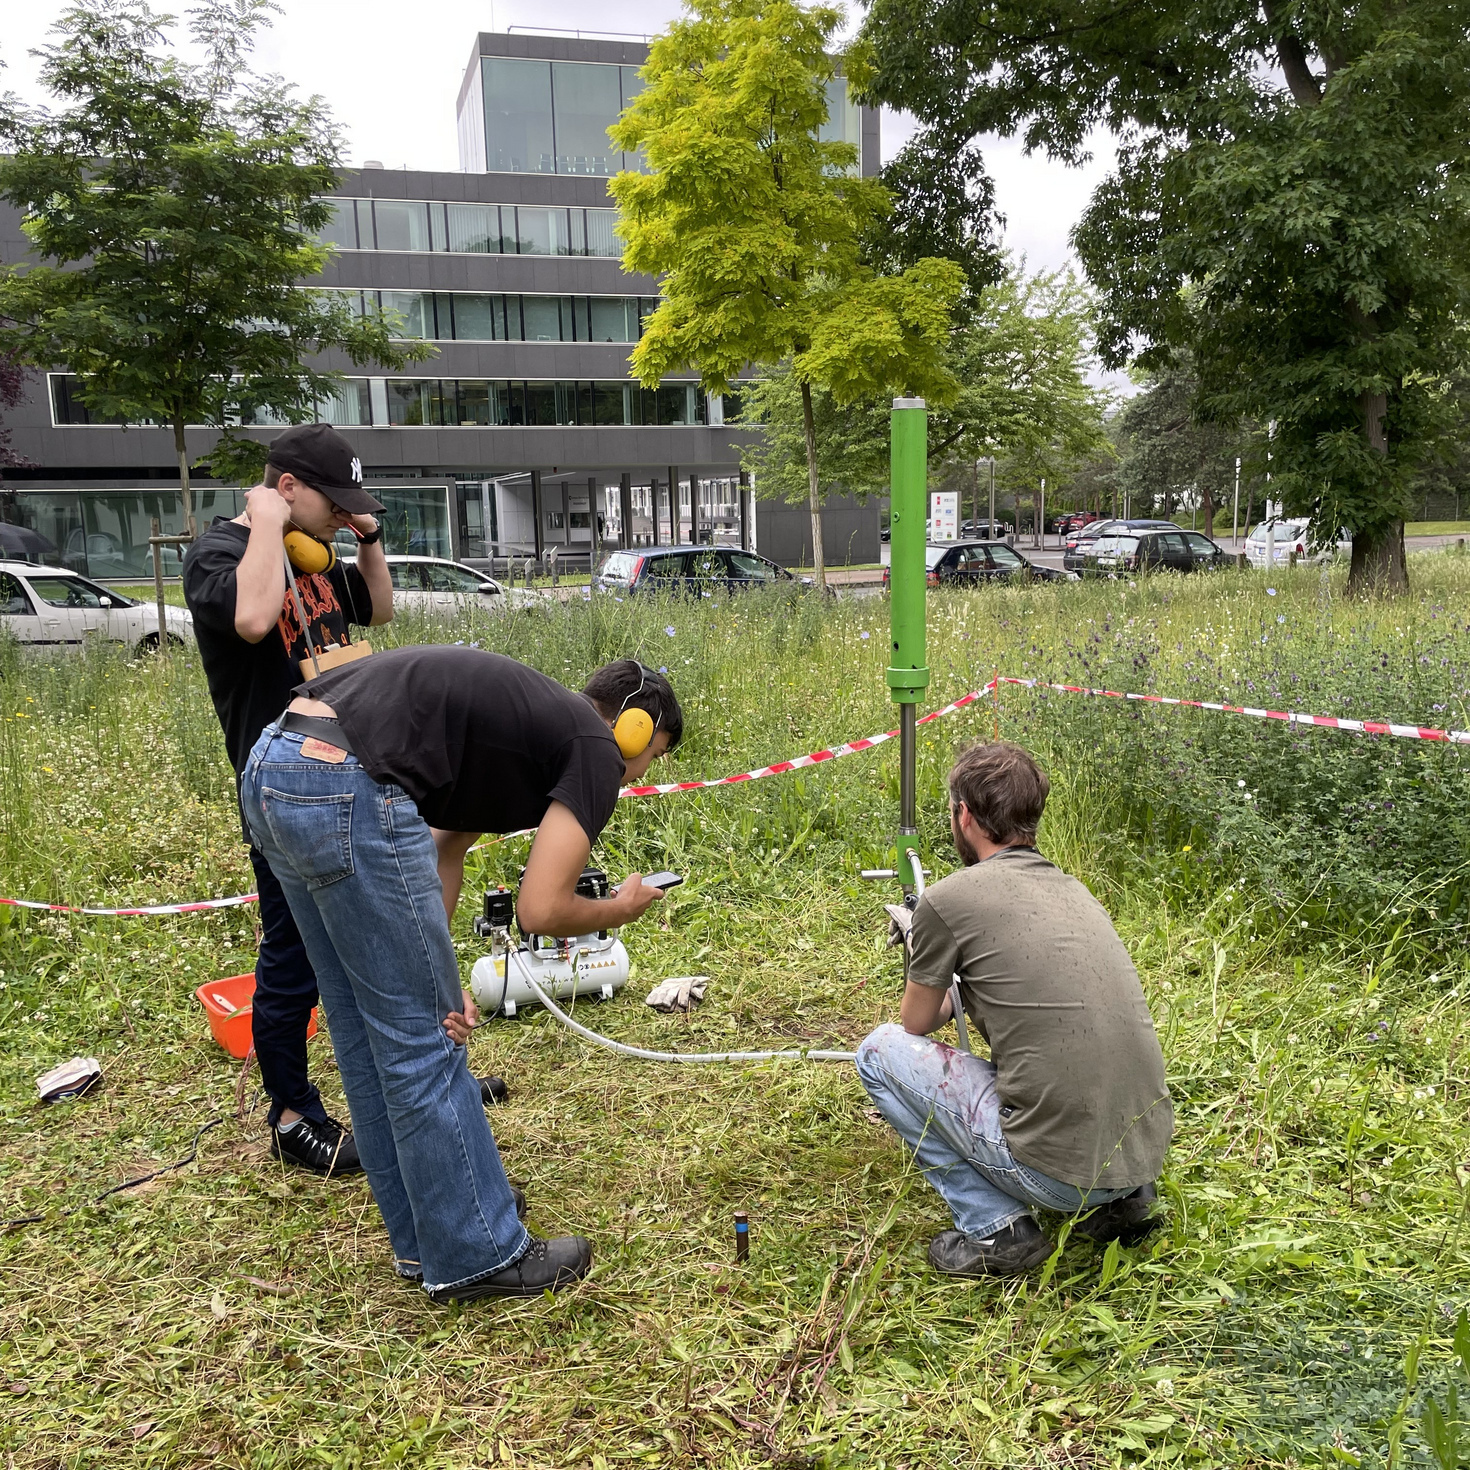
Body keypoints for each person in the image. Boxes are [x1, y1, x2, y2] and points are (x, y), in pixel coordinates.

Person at [240, 650, 683, 1302]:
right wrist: (619, 907)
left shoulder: (525, 734)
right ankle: (479, 1250)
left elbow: (444, 849)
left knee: (370, 1032)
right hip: (342, 782)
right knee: (423, 1041)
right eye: (656, 752)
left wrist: (433, 977)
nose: (646, 768)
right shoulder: (595, 749)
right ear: (635, 729)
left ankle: (431, 1236)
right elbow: (541, 907)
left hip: (277, 765)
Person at [856, 741, 1173, 1278]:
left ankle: (997, 1229)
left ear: (965, 815)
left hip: (1056, 1175)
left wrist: (924, 949)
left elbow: (915, 1025)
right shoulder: (1074, 889)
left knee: (877, 1053)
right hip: (1142, 1152)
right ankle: (1124, 1202)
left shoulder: (947, 899)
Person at [184, 423, 393, 1177]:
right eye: (330, 502)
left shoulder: (319, 556)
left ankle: (399, 1086)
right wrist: (267, 527)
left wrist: (368, 539)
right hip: (283, 789)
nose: (339, 517)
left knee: (372, 934)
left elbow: (378, 612)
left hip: (351, 772)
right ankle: (292, 1113)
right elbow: (249, 620)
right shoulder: (219, 557)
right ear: (286, 488)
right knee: (294, 947)